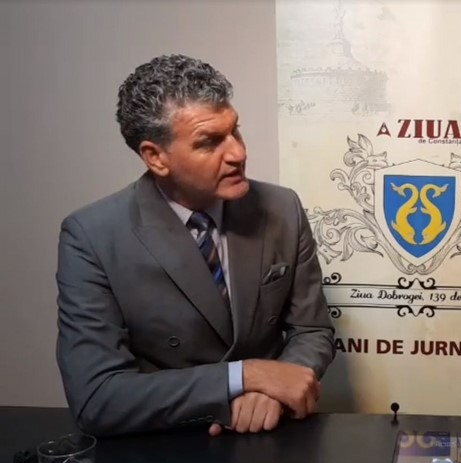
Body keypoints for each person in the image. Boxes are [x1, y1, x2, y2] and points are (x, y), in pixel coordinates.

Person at [55, 54, 335, 437]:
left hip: (270, 438)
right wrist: (246, 376)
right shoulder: (92, 236)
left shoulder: (282, 207)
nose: (238, 153)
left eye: (236, 131)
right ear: (156, 157)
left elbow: (312, 330)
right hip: (167, 446)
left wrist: (275, 389)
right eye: (210, 142)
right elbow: (97, 398)